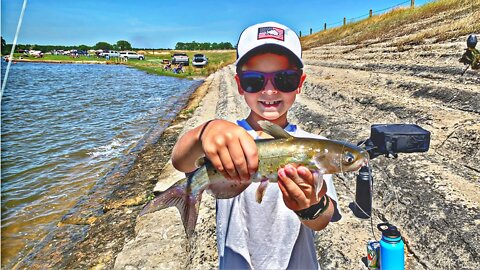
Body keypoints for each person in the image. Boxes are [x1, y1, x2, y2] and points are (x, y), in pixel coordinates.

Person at [171, 21, 341, 269]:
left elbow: (324, 219)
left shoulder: (317, 147)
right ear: (240, 85)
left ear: (300, 83)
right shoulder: (223, 141)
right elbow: (180, 160)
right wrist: (204, 132)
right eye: (254, 81)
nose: (270, 91)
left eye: (285, 79)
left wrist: (312, 207)